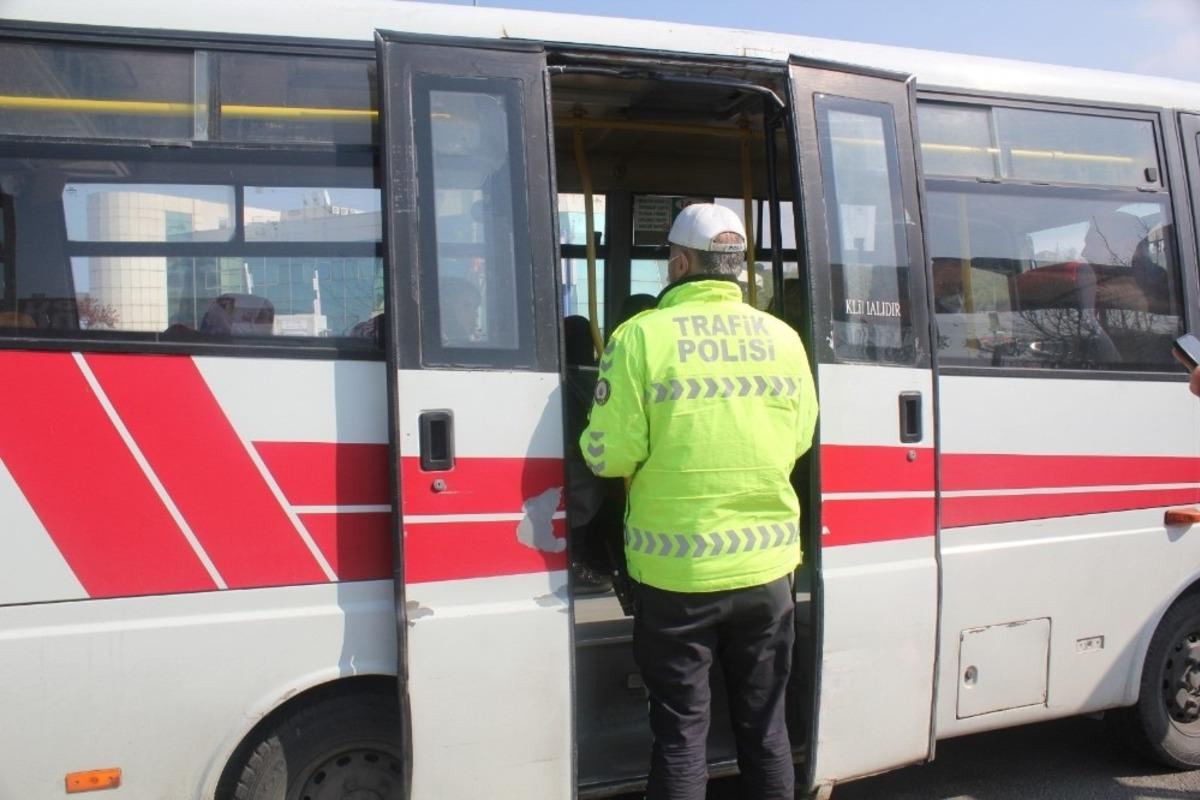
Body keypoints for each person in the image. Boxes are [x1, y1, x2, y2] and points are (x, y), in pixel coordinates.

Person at [580, 203, 818, 800]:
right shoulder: (784, 338)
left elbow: (610, 456)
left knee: (683, 734)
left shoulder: (638, 338)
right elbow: (799, 439)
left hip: (676, 576)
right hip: (767, 573)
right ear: (736, 268)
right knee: (765, 731)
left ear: (680, 262)